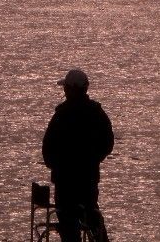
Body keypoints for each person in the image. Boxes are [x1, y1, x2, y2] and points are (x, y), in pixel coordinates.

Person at [42, 69, 114, 242]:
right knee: (92, 215)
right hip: (88, 179)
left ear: (69, 90)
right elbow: (108, 142)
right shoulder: (97, 113)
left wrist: (57, 166)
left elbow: (47, 148)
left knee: (68, 223)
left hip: (64, 182)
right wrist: (94, 158)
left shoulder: (61, 115)